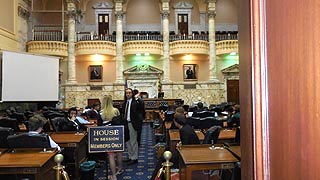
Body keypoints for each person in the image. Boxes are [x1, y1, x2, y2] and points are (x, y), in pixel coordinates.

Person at [101, 95, 124, 180]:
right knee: (119, 152)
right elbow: (120, 120)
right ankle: (120, 169)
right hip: (117, 133)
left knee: (111, 155)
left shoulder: (101, 112)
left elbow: (100, 125)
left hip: (107, 135)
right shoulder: (116, 110)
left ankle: (114, 175)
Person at [122, 88, 145, 165]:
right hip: (125, 123)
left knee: (133, 141)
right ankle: (130, 156)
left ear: (132, 94)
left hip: (132, 123)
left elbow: (141, 111)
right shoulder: (124, 103)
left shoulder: (136, 102)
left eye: (129, 93)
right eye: (126, 93)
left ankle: (134, 158)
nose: (128, 94)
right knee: (127, 141)